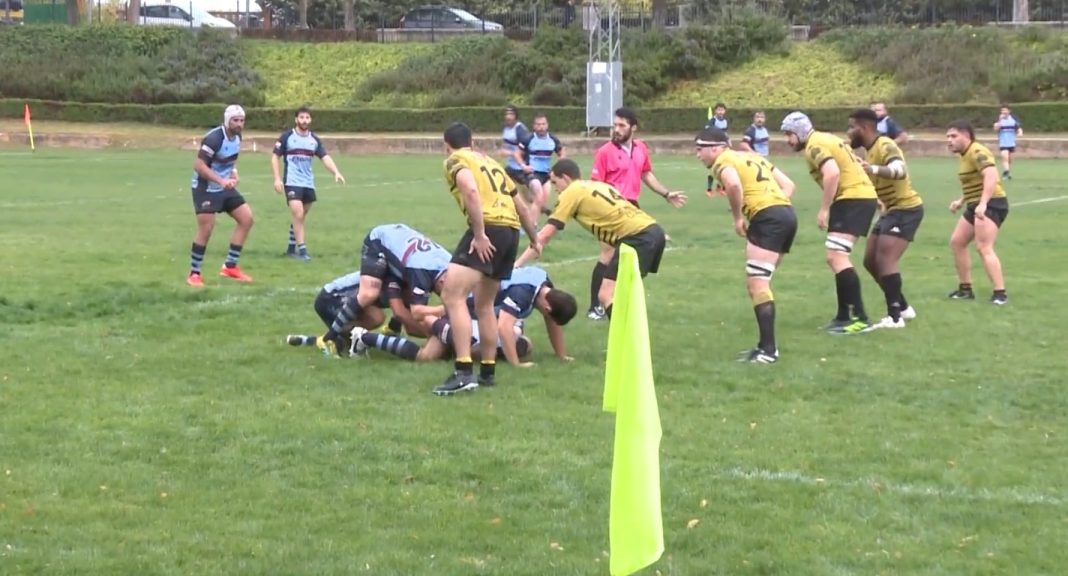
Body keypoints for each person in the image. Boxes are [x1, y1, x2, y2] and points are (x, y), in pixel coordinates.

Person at [436, 122, 540, 396]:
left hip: (489, 228)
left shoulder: (455, 160)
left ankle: (463, 372)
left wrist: (479, 234)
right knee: (484, 305)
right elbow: (521, 206)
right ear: (472, 140)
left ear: (446, 144)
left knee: (452, 295)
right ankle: (488, 371)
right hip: (510, 232)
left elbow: (470, 190)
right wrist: (534, 238)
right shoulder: (491, 163)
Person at [516, 158, 667, 318]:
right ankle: (629, 336)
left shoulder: (571, 192)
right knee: (624, 294)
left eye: (555, 182)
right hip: (653, 230)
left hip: (638, 238)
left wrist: (517, 264)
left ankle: (624, 341)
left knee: (606, 295)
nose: (555, 189)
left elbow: (544, 236)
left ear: (566, 178)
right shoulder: (598, 185)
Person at [696, 127, 797, 364]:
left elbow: (732, 186)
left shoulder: (722, 162)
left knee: (757, 285)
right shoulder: (752, 156)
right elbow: (789, 185)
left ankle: (769, 351)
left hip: (768, 218)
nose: (698, 155)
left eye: (700, 149)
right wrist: (776, 205)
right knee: (761, 282)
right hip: (787, 215)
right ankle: (764, 346)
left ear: (716, 148)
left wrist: (738, 218)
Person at [781, 111, 879, 335]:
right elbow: (852, 166)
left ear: (800, 132)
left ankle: (860, 318)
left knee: (837, 257)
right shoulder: (829, 139)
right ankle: (844, 315)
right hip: (857, 197)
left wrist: (824, 209)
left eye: (789, 134)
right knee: (834, 256)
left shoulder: (815, 145)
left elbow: (833, 173)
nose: (788, 140)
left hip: (852, 199)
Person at [588, 107, 686, 320]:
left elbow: (646, 174)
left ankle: (617, 298)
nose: (617, 129)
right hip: (611, 209)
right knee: (607, 255)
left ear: (633, 127)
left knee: (631, 255)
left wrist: (666, 193)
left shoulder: (640, 148)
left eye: (622, 125)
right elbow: (596, 186)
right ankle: (595, 306)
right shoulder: (605, 152)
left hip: (632, 207)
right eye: (615, 125)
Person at [317, 223, 451, 357]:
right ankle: (328, 339)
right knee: (368, 295)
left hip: (399, 241)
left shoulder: (431, 270)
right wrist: (441, 331)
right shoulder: (418, 273)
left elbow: (411, 326)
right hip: (331, 298)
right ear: (442, 281)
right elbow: (405, 314)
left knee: (377, 317)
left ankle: (391, 329)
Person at [847, 108, 924, 329]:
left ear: (864, 128)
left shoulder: (886, 145)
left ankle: (894, 317)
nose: (849, 132)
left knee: (885, 260)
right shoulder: (869, 150)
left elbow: (899, 170)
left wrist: (871, 168)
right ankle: (904, 307)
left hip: (907, 209)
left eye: (852, 127)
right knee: (870, 261)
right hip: (891, 211)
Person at [187, 104, 254, 287]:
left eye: (241, 120)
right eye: (235, 120)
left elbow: (229, 160)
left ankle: (230, 267)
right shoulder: (214, 138)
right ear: (227, 120)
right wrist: (221, 181)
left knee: (247, 218)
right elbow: (199, 166)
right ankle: (194, 273)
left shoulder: (238, 137)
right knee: (207, 228)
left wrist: (233, 172)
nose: (239, 124)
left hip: (223, 185)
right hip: (205, 187)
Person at [945, 120, 1009, 305]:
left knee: (983, 247)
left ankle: (1000, 294)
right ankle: (965, 289)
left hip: (992, 204)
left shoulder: (978, 151)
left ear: (967, 136)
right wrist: (961, 200)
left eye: (954, 136)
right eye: (948, 137)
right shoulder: (964, 155)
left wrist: (983, 204)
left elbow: (990, 175)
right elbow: (975, 182)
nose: (949, 140)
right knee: (957, 242)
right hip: (976, 204)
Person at [272, 106, 346, 261]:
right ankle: (303, 251)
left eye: (307, 118)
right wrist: (277, 178)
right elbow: (275, 157)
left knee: (300, 216)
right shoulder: (287, 137)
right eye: (301, 117)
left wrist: (336, 172)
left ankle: (291, 248)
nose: (304, 120)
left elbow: (325, 157)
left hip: (308, 182)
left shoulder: (314, 140)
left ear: (310, 120)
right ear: (296, 119)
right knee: (297, 214)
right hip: (292, 181)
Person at [468, 265, 577, 365]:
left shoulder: (543, 279)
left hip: (484, 309)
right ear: (547, 309)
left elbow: (552, 322)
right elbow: (504, 328)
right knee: (518, 341)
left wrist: (562, 355)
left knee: (521, 341)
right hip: (469, 311)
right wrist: (516, 364)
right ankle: (460, 347)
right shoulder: (522, 293)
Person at [349, 313, 534, 365]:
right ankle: (364, 337)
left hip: (461, 328)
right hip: (452, 324)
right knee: (427, 355)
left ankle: (368, 335)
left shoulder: (513, 319)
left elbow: (520, 333)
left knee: (427, 356)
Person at [284, 270, 403, 348]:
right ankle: (327, 341)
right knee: (375, 317)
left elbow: (401, 308)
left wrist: (393, 330)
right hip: (331, 299)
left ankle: (315, 341)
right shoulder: (394, 278)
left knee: (373, 318)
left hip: (342, 299)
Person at [515, 113, 566, 216]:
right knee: (539, 195)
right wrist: (523, 166)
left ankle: (527, 219)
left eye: (543, 124)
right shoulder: (528, 138)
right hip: (532, 173)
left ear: (547, 125)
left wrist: (557, 168)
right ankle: (533, 227)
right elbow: (517, 154)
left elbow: (562, 153)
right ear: (534, 126)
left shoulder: (553, 140)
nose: (541, 127)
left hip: (546, 175)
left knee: (540, 202)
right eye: (538, 124)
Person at [993, 105, 1023, 180]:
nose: (1004, 112)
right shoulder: (999, 120)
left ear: (1009, 111)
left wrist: (1020, 132)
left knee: (1010, 160)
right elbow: (996, 129)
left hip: (1012, 143)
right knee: (1005, 157)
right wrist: (1000, 120)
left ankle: (1007, 172)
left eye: (1005, 110)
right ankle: (1006, 172)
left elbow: (1018, 128)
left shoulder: (1013, 119)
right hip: (1003, 142)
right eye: (1002, 111)